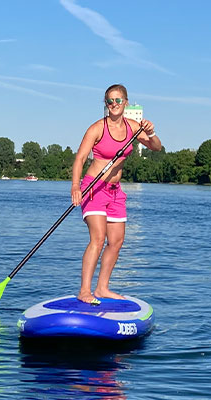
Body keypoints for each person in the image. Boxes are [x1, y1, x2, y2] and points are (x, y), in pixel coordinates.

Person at [70, 84, 162, 304]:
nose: (114, 105)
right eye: (110, 101)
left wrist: (151, 132)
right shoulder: (96, 128)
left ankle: (102, 288)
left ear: (126, 103)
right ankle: (85, 290)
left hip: (115, 192)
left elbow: (156, 147)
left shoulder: (133, 127)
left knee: (117, 241)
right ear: (106, 104)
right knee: (98, 238)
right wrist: (75, 186)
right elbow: (80, 159)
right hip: (93, 188)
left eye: (118, 100)